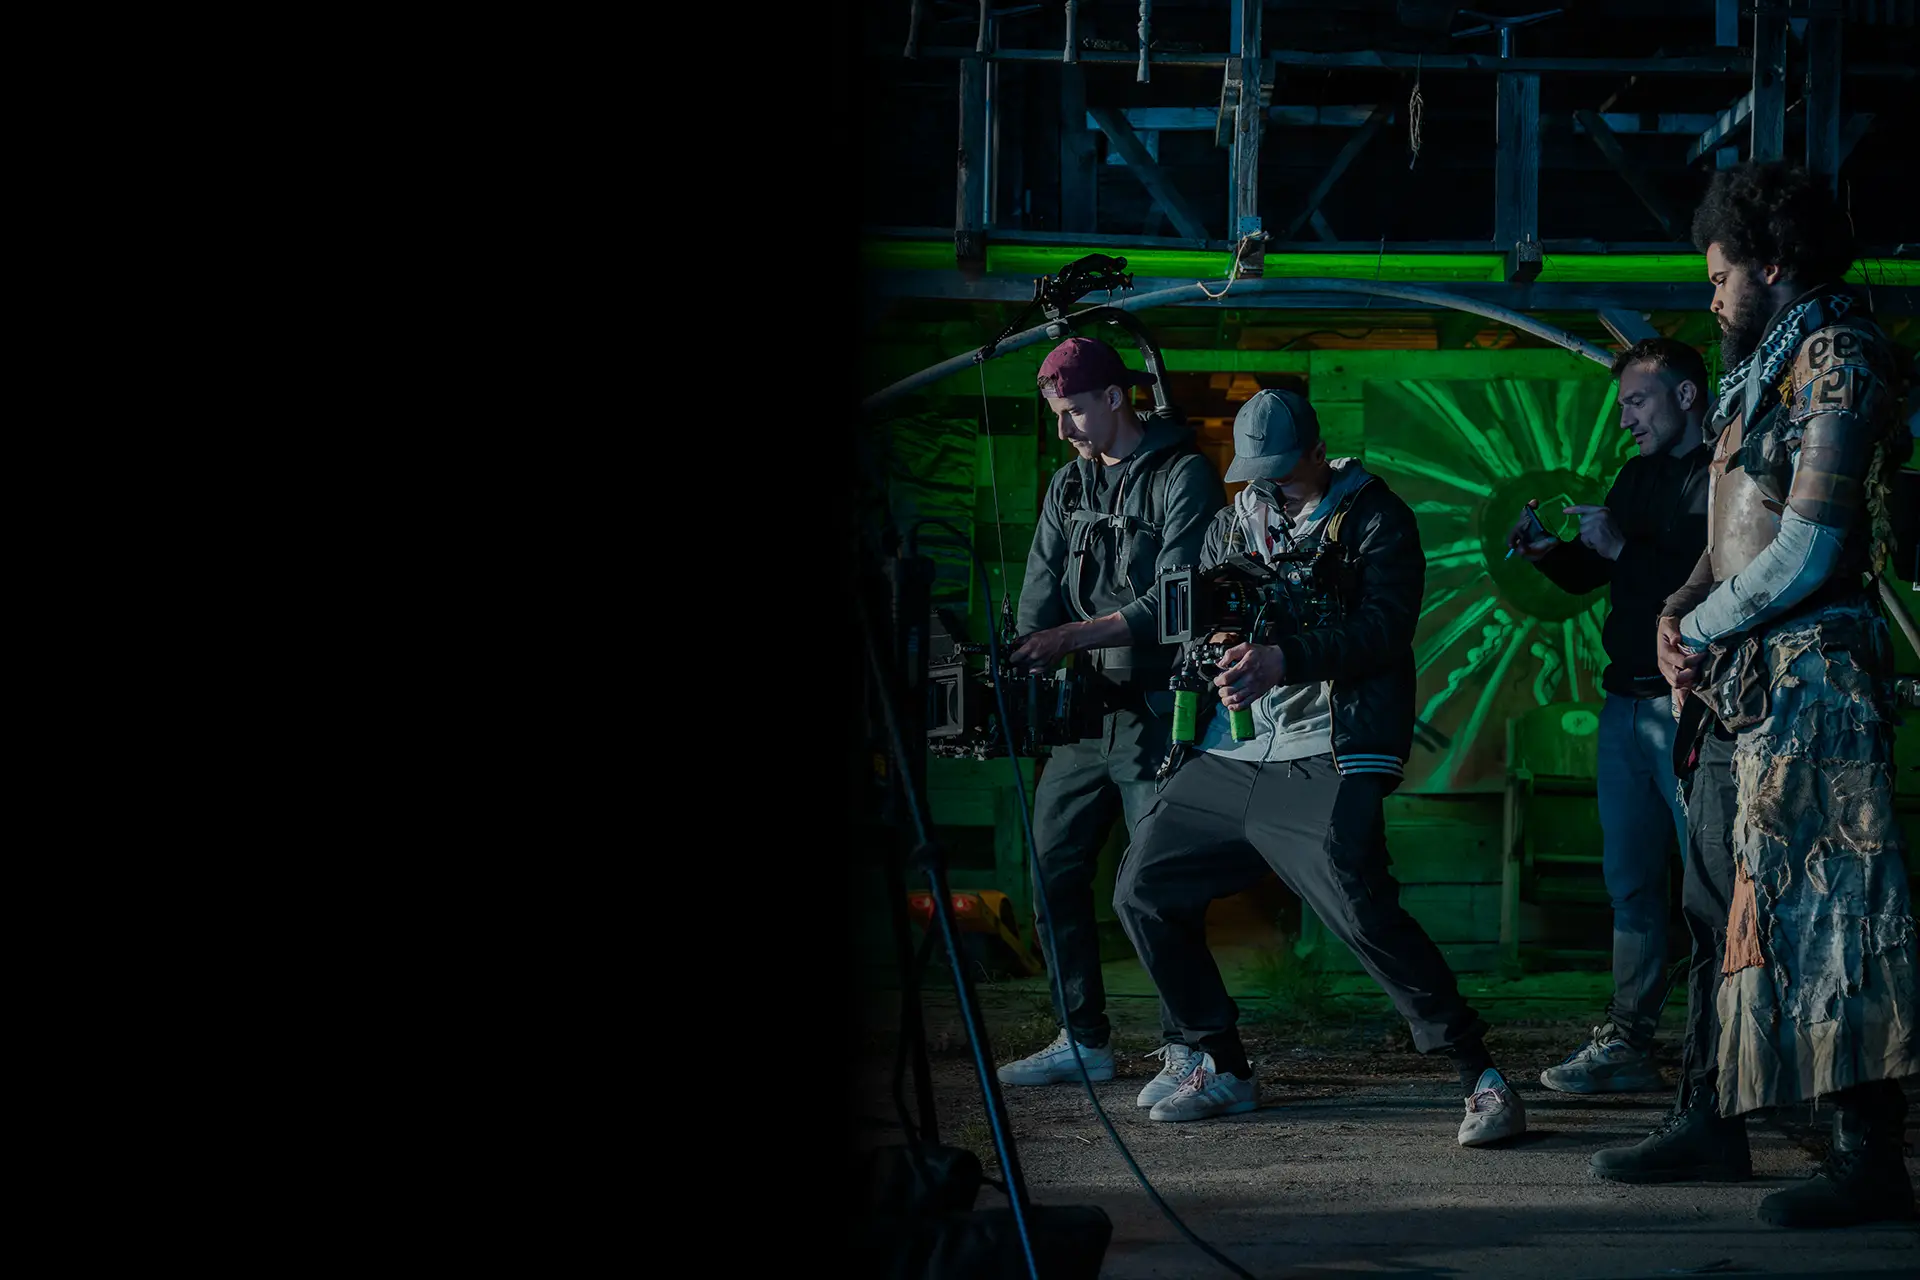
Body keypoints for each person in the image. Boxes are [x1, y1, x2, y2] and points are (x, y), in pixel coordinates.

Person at [1588, 160, 1918, 1229]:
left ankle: (1870, 1158)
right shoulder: (1760, 371)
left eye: (1724, 272)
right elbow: (1734, 530)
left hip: (1814, 679)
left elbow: (1813, 543)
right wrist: (1678, 608)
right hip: (1745, 686)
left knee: (1831, 918)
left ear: (1774, 267)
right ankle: (1710, 1113)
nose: (1713, 293)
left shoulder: (1837, 355)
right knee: (1708, 902)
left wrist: (1700, 622)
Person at [1110, 388, 1527, 1146]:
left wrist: (1282, 657)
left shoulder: (1374, 517)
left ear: (1314, 448)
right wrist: (1216, 647)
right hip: (1231, 750)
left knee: (1360, 905)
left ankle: (1480, 1076)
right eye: (1255, 469)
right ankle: (1223, 1067)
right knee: (1143, 887)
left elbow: (1384, 632)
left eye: (1281, 466)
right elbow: (1200, 612)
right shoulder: (1233, 520)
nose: (1268, 482)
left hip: (1326, 750)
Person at [994, 337, 1227, 1093]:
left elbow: (1172, 604)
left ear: (1116, 398)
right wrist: (1025, 653)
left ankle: (1188, 1047)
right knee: (1053, 868)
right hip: (1083, 715)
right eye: (1054, 415)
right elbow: (1040, 592)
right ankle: (1083, 1039)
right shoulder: (1069, 485)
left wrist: (1068, 636)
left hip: (1158, 709)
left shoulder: (1184, 476)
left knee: (1154, 883)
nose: (1064, 430)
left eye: (1072, 413)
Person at [1506, 337, 1712, 1094]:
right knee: (1629, 882)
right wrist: (1552, 552)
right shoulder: (1637, 474)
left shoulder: (1719, 480)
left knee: (1708, 886)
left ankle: (1717, 1049)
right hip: (1623, 707)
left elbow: (1710, 587)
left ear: (1685, 397)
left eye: (1637, 401)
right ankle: (1630, 1044)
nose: (1624, 417)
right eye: (1623, 403)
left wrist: (1620, 544)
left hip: (1689, 714)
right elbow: (1604, 573)